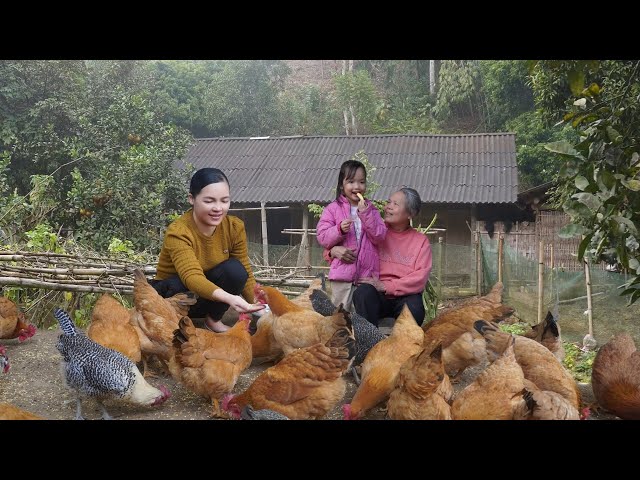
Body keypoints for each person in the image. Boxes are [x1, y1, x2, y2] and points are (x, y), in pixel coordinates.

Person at [151, 167, 264, 333]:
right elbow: (192, 277)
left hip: (206, 298)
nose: (218, 208)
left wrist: (260, 306)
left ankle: (213, 320)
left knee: (236, 270)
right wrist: (230, 298)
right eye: (209, 201)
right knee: (175, 284)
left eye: (224, 201)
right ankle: (173, 324)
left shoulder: (234, 227)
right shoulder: (179, 231)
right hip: (175, 298)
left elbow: (244, 270)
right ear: (192, 199)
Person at [327, 187, 432, 326]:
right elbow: (348, 247)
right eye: (389, 202)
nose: (388, 207)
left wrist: (386, 285)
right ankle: (370, 342)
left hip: (405, 296)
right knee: (363, 293)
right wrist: (331, 251)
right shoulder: (375, 230)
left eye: (395, 204)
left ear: (410, 214)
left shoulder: (420, 241)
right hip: (376, 295)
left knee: (415, 308)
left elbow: (420, 278)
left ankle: (403, 346)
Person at [316, 160, 386, 311]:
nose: (357, 187)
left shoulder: (372, 210)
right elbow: (322, 236)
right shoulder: (332, 209)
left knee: (362, 320)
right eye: (351, 181)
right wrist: (339, 229)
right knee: (340, 319)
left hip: (366, 279)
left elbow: (380, 236)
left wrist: (366, 214)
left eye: (361, 182)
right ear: (342, 185)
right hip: (342, 277)